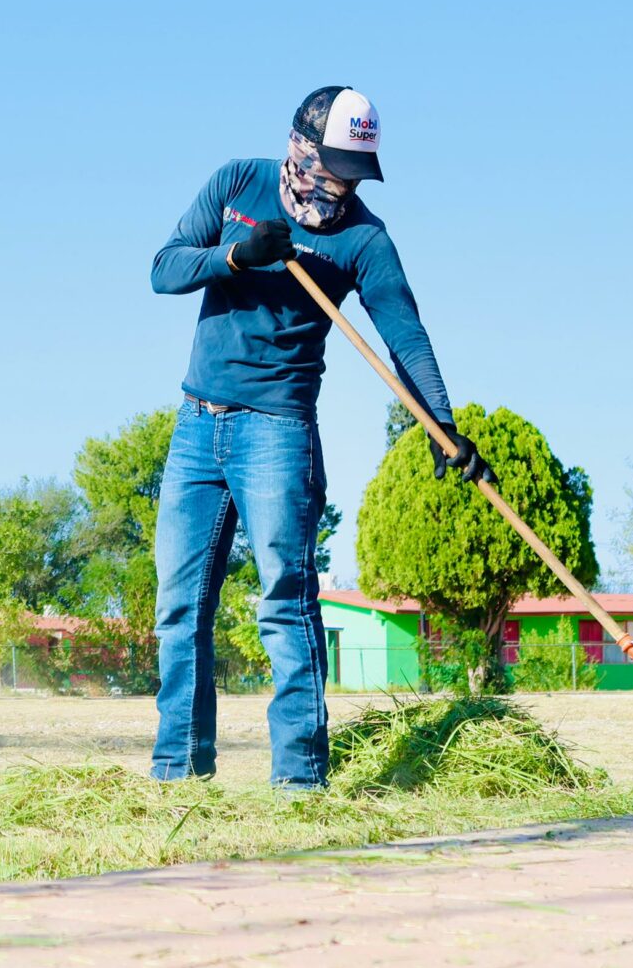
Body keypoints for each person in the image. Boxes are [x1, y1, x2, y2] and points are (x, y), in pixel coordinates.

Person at [147, 86, 481, 794]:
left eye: (353, 171)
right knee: (180, 607)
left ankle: (299, 784)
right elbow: (164, 267)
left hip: (278, 433)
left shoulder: (363, 238)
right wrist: (236, 255)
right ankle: (177, 774)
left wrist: (441, 421)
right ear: (299, 142)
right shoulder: (237, 181)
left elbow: (405, 334)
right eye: (332, 163)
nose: (340, 182)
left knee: (285, 602)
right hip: (195, 423)